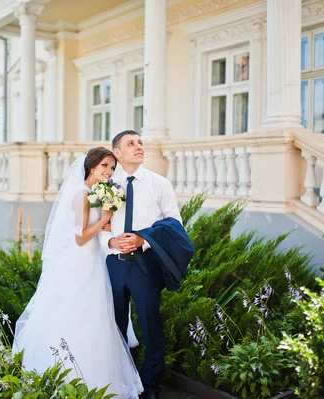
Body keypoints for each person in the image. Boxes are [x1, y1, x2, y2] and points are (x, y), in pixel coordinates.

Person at [12, 147, 143, 399]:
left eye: (112, 168)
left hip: (95, 262)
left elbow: (98, 229)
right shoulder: (81, 193)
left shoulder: (97, 193)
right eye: (105, 166)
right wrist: (104, 216)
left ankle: (96, 383)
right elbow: (81, 237)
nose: (108, 171)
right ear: (91, 166)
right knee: (77, 318)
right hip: (80, 263)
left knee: (98, 320)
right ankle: (68, 379)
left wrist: (107, 222)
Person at [99, 131, 182, 399]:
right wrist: (111, 243)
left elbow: (174, 224)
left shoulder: (160, 184)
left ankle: (151, 387)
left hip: (146, 264)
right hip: (113, 265)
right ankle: (120, 382)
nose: (138, 147)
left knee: (151, 326)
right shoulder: (107, 185)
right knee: (114, 326)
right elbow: (98, 226)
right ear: (118, 153)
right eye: (131, 144)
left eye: (140, 143)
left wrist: (142, 239)